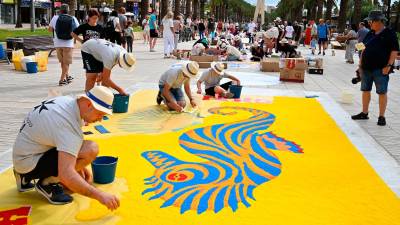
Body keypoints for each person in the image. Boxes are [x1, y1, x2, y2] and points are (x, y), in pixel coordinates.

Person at [13, 86, 120, 209]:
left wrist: (75, 163)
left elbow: (58, 135)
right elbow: (66, 175)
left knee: (78, 149)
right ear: (89, 104)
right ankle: (47, 183)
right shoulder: (69, 127)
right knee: (91, 149)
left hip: (21, 154)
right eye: (100, 114)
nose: (100, 120)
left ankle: (22, 176)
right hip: (29, 163)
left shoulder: (66, 101)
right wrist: (100, 195)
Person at [351, 10, 399, 126]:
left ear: (379, 21)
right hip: (366, 68)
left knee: (382, 92)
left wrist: (389, 65)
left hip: (381, 68)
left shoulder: (390, 33)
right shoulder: (370, 33)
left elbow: (394, 51)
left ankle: (381, 116)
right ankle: (364, 112)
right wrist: (360, 65)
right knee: (365, 90)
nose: (369, 24)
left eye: (371, 21)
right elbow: (362, 48)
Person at [48, 4, 79, 86]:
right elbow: (77, 30)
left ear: (60, 10)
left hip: (58, 43)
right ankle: (62, 80)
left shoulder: (55, 18)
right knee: (66, 63)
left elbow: (50, 30)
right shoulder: (73, 18)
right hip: (68, 44)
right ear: (68, 10)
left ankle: (67, 76)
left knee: (63, 62)